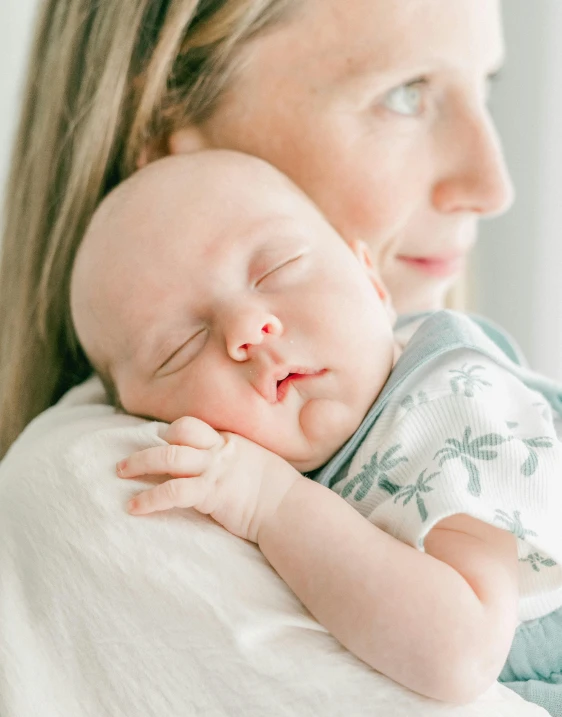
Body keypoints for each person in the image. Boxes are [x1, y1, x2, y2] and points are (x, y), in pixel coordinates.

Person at [71, 150, 562, 717]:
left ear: (372, 280)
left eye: (276, 269)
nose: (247, 328)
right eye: (180, 349)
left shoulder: (452, 403)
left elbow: (461, 651)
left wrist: (271, 502)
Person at [0, 0, 513, 460]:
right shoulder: (118, 493)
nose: (494, 189)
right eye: (405, 95)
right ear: (159, 124)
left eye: (485, 89)